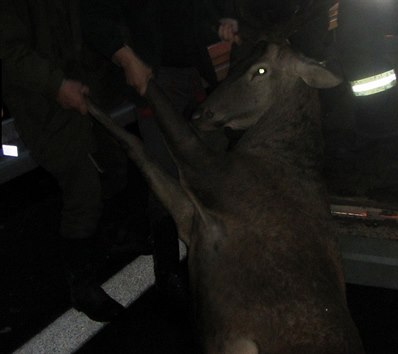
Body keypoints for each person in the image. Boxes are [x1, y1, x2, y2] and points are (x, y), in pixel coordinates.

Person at [80, 0, 229, 306]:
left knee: (213, 158)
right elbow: (93, 16)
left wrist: (223, 20)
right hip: (156, 77)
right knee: (164, 172)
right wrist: (126, 56)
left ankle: (215, 253)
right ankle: (168, 272)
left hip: (193, 71)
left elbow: (193, 13)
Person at [0, 0, 126, 321]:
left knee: (114, 163)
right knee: (82, 187)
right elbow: (9, 52)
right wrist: (55, 84)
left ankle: (116, 236)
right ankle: (82, 285)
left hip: (81, 88)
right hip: (40, 104)